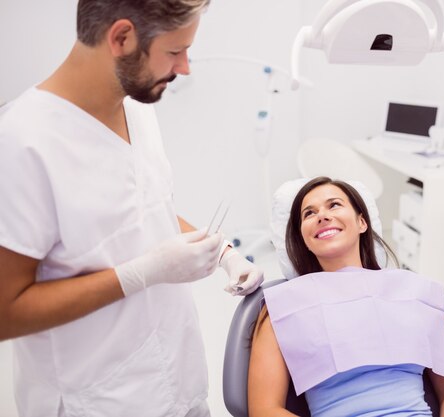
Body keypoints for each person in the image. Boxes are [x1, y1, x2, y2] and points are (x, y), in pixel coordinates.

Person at [0, 1, 264, 416]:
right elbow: (6, 312)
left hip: (177, 381)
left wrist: (224, 253)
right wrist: (139, 274)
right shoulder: (22, 143)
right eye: (175, 52)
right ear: (121, 37)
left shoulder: (137, 107)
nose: (186, 67)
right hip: (99, 400)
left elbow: (148, 209)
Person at [248, 177, 444, 417]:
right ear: (304, 238)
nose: (322, 216)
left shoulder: (414, 290)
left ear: (362, 222)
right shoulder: (284, 306)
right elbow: (264, 409)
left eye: (334, 205)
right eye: (309, 213)